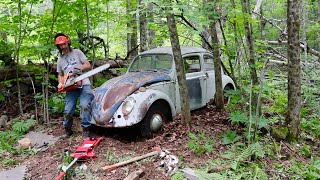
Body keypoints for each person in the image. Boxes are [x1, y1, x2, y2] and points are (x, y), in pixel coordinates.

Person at [54, 33, 94, 138]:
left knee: (84, 105)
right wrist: (61, 82)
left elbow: (88, 65)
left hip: (83, 82)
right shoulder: (60, 59)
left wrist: (78, 69)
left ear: (68, 42)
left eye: (64, 44)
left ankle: (86, 129)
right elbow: (60, 74)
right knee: (68, 109)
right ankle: (67, 130)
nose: (63, 46)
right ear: (58, 46)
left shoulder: (77, 52)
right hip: (70, 86)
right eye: (61, 45)